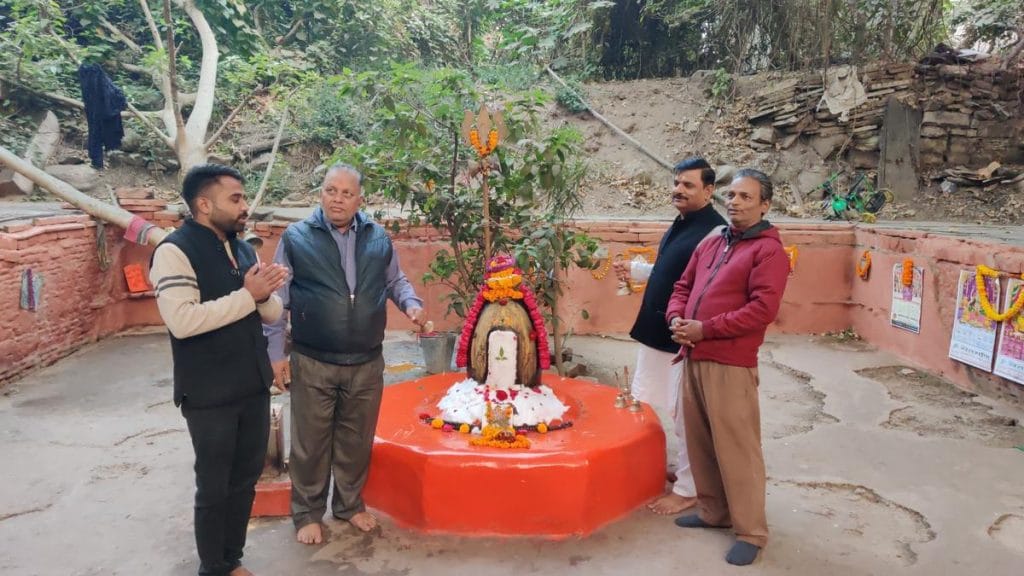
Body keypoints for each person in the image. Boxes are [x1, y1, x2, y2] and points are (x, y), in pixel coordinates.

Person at [264, 163, 425, 545]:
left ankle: (349, 505)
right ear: (320, 193)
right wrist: (275, 353)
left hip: (366, 360)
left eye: (346, 193)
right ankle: (307, 512)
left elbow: (395, 281)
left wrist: (412, 304)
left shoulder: (377, 237)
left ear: (360, 199)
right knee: (310, 444)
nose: (337, 199)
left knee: (356, 441)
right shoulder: (297, 237)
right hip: (314, 359)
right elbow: (276, 299)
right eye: (330, 190)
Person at [149, 164, 290, 576]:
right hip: (209, 393)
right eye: (236, 199)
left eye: (244, 198)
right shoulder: (174, 251)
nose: (245, 206)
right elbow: (183, 320)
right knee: (214, 486)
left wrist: (266, 294)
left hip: (251, 383)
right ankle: (212, 567)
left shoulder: (243, 248)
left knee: (245, 480)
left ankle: (233, 560)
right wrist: (250, 295)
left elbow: (271, 313)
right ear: (204, 204)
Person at [665, 168, 789, 566]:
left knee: (738, 449)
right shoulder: (713, 240)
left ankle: (751, 531)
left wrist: (706, 329)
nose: (734, 202)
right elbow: (683, 286)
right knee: (700, 441)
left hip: (730, 363)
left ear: (765, 205)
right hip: (694, 355)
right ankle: (713, 511)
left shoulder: (769, 251)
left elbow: (762, 310)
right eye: (732, 195)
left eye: (746, 197)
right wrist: (676, 320)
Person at [612, 157, 726, 515]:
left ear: (708, 191)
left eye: (688, 185)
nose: (679, 189)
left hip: (682, 336)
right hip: (656, 329)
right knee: (654, 402)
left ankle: (691, 488)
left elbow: (709, 287)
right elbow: (673, 271)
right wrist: (638, 270)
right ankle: (684, 472)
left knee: (684, 414)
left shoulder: (714, 233)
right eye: (677, 183)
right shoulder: (682, 223)